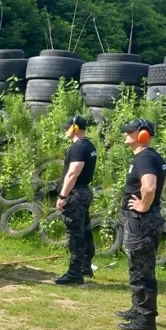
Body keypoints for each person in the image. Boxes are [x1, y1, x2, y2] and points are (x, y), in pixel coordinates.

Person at [116, 118, 166, 330]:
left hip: (142, 221)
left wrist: (144, 206)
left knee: (142, 271)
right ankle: (138, 310)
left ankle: (145, 321)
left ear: (143, 134)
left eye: (130, 131)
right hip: (145, 220)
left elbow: (151, 186)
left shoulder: (144, 158)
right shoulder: (151, 157)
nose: (126, 133)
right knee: (138, 267)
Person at [54, 115, 98, 285]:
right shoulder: (89, 145)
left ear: (74, 128)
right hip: (84, 191)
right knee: (85, 229)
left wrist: (63, 196)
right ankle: (85, 266)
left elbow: (73, 173)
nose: (65, 130)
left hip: (76, 194)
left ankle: (75, 272)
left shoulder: (79, 147)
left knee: (75, 233)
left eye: (67, 127)